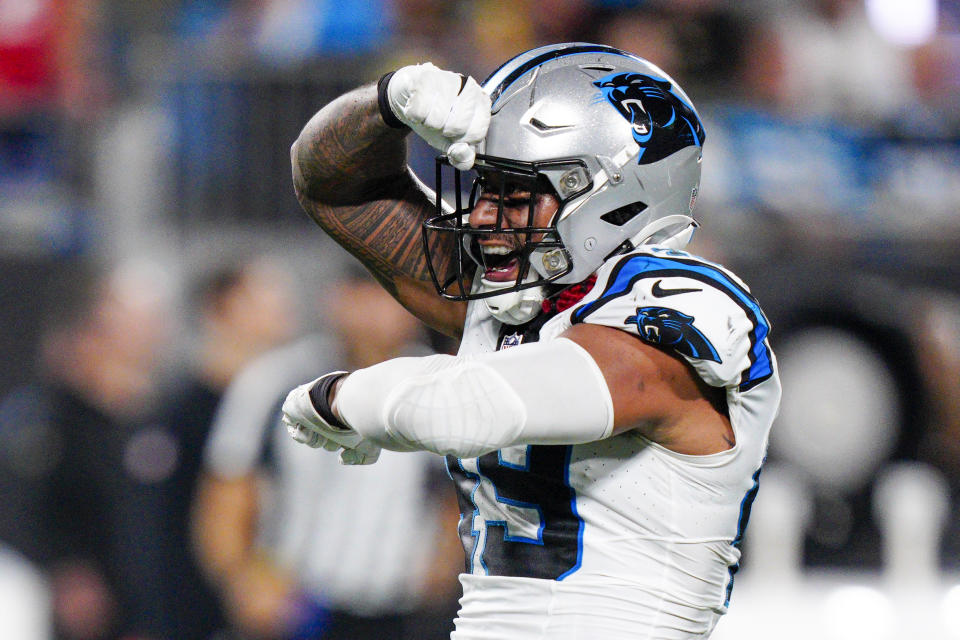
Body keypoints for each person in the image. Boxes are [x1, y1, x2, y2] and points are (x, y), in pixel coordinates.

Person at [281, 42, 781, 639]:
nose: (486, 219)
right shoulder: (521, 296)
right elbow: (333, 185)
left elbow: (464, 408)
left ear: (617, 196)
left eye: (516, 195)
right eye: (484, 189)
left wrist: (340, 398)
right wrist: (389, 103)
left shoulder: (680, 309)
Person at [193, 269, 462, 640]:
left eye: (385, 295)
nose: (372, 312)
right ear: (335, 299)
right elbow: (227, 492)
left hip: (403, 611)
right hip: (302, 607)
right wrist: (243, 580)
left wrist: (443, 571)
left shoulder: (441, 384)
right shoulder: (276, 378)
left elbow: (458, 494)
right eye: (360, 293)